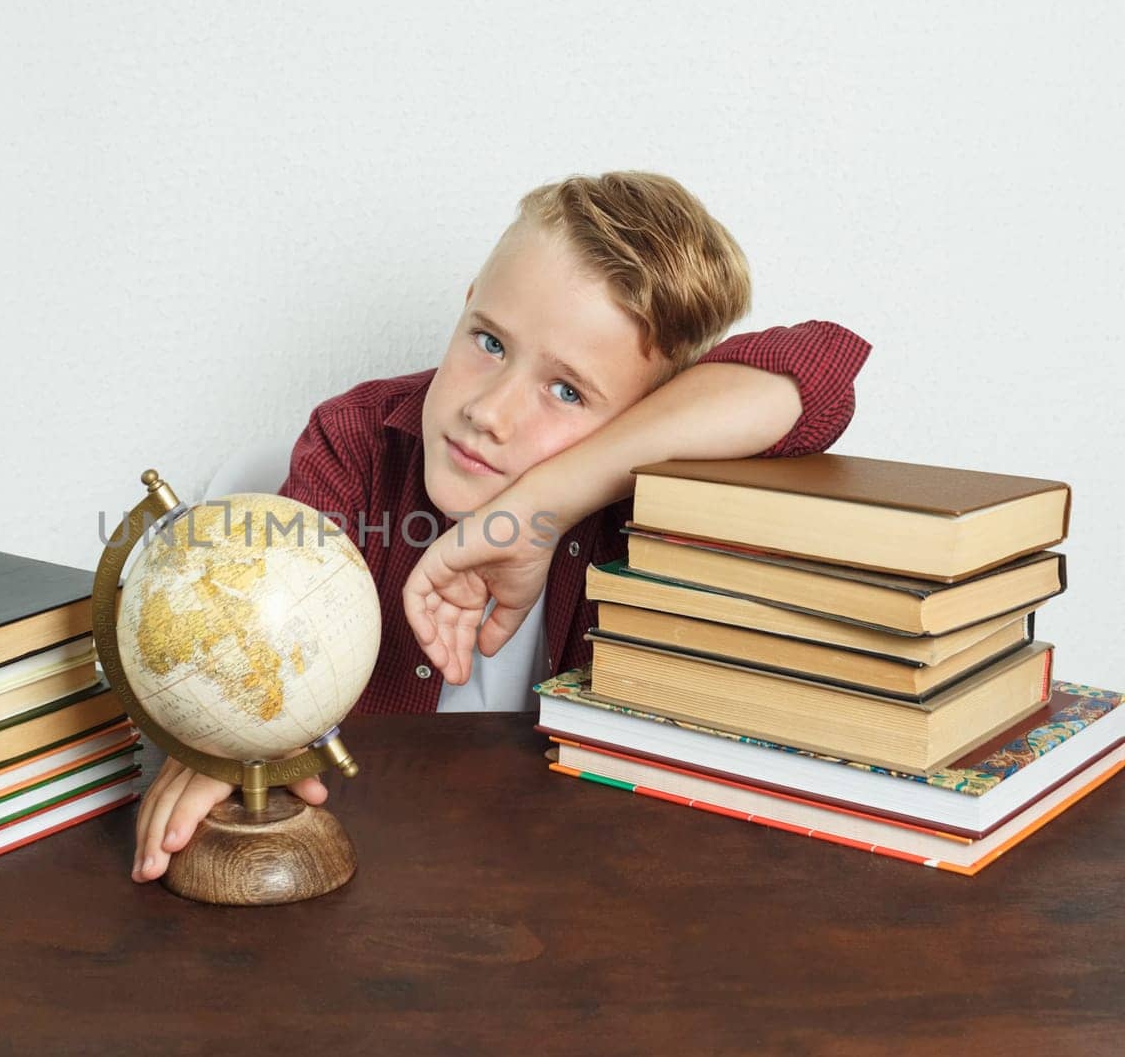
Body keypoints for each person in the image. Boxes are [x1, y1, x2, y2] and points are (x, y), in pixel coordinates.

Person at [132, 171, 873, 883]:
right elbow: (269, 644)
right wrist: (234, 727)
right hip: (378, 868)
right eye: (488, 342)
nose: (489, 412)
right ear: (466, 304)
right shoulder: (356, 443)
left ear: (650, 414)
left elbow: (819, 374)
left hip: (572, 881)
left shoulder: (640, 503)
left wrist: (540, 505)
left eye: (566, 390)